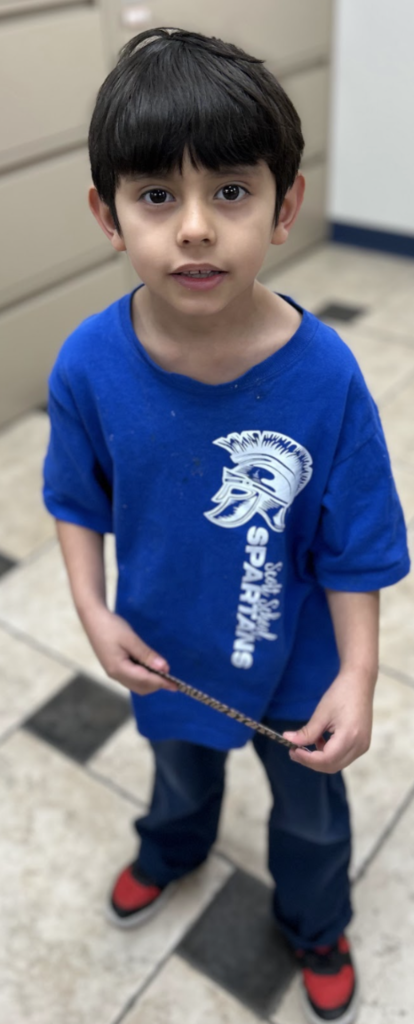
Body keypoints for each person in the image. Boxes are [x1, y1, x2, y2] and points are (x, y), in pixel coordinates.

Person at [42, 27, 410, 1024]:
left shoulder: (325, 377)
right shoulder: (85, 365)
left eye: (232, 192)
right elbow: (75, 499)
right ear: (109, 214)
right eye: (157, 195)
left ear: (285, 205)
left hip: (291, 668)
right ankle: (171, 845)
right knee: (178, 770)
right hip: (167, 647)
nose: (195, 228)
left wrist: (358, 673)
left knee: (311, 816)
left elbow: (358, 544)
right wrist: (90, 607)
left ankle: (317, 920)